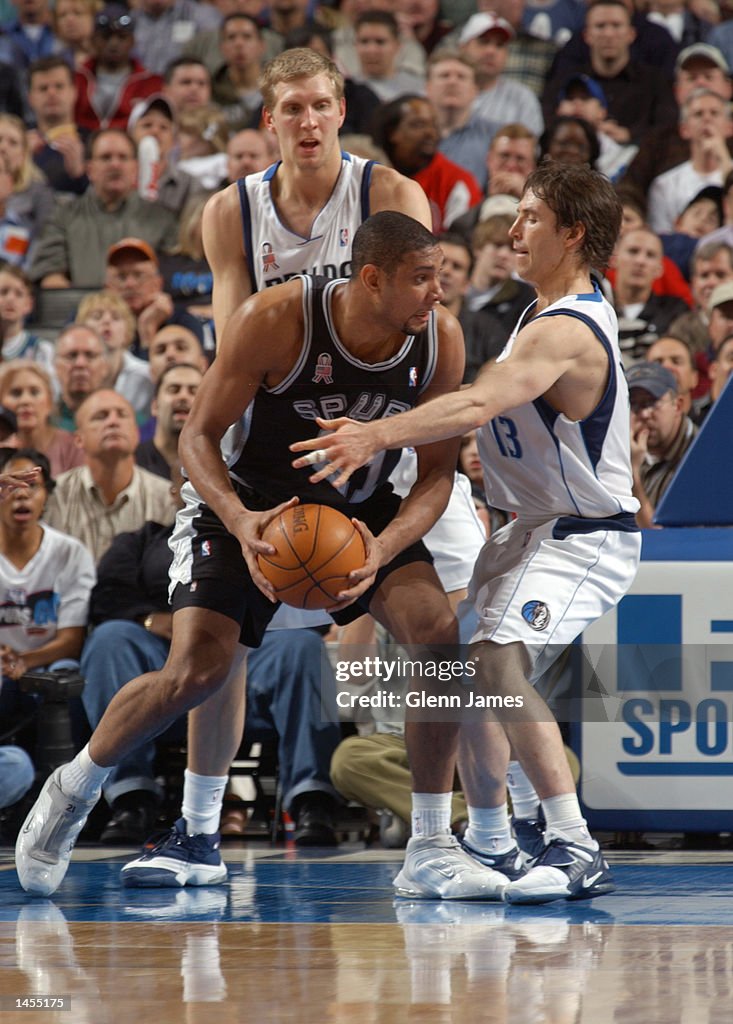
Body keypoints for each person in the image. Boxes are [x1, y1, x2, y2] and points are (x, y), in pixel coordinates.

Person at [15, 211, 513, 901]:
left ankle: (430, 845)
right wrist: (240, 519)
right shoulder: (276, 317)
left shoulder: (439, 339)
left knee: (437, 634)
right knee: (196, 670)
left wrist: (385, 544)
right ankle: (75, 785)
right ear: (371, 278)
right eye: (421, 278)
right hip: (248, 500)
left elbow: (434, 476)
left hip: (359, 510)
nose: (438, 292)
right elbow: (197, 438)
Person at [291, 162, 642, 904]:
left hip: (583, 534)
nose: (512, 232)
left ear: (573, 234)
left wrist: (372, 435)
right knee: (460, 673)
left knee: (493, 661)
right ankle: (489, 839)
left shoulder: (567, 329)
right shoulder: (535, 313)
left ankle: (574, 844)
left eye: (529, 218)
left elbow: (477, 403)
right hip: (525, 531)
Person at [43, 388, 178, 563]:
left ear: (137, 434)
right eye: (101, 416)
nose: (113, 422)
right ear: (78, 439)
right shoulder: (54, 495)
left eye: (122, 415)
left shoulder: (166, 498)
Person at [627, 360, 697, 527]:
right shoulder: (626, 449)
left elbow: (665, 541)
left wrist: (633, 475)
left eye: (651, 402)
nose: (643, 414)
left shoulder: (700, 457)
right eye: (634, 405)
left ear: (678, 406)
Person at [0, 360, 85, 477]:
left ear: (49, 402)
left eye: (34, 392)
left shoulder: (74, 447)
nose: (25, 400)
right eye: (16, 393)